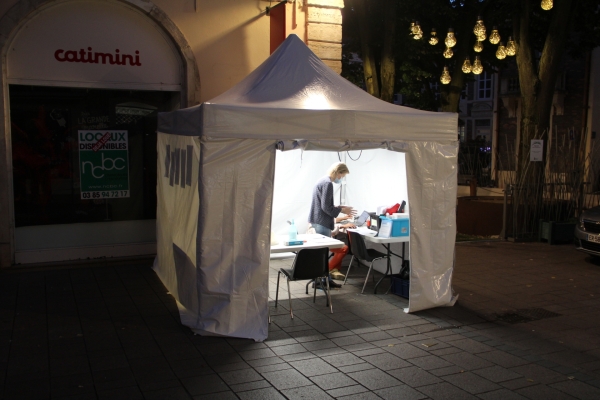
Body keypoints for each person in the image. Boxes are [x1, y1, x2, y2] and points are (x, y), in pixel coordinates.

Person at [308, 162, 355, 288]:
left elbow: (323, 204)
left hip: (317, 220)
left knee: (321, 253)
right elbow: (325, 207)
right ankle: (320, 281)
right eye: (343, 175)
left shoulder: (322, 180)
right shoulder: (328, 183)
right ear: (339, 172)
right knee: (322, 253)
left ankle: (324, 279)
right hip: (322, 221)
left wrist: (339, 207)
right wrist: (342, 210)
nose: (342, 178)